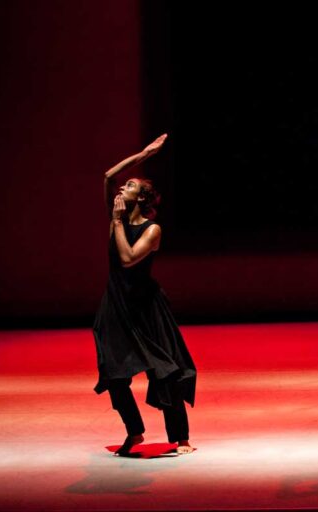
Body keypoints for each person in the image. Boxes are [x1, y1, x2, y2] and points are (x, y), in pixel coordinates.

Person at [93, 134, 197, 455]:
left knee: (165, 370)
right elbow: (109, 176)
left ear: (141, 198)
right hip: (116, 305)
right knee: (114, 372)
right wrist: (144, 154)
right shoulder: (118, 222)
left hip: (146, 307)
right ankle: (134, 431)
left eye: (131, 187)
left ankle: (181, 438)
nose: (123, 188)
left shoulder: (151, 229)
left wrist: (116, 222)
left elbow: (126, 259)